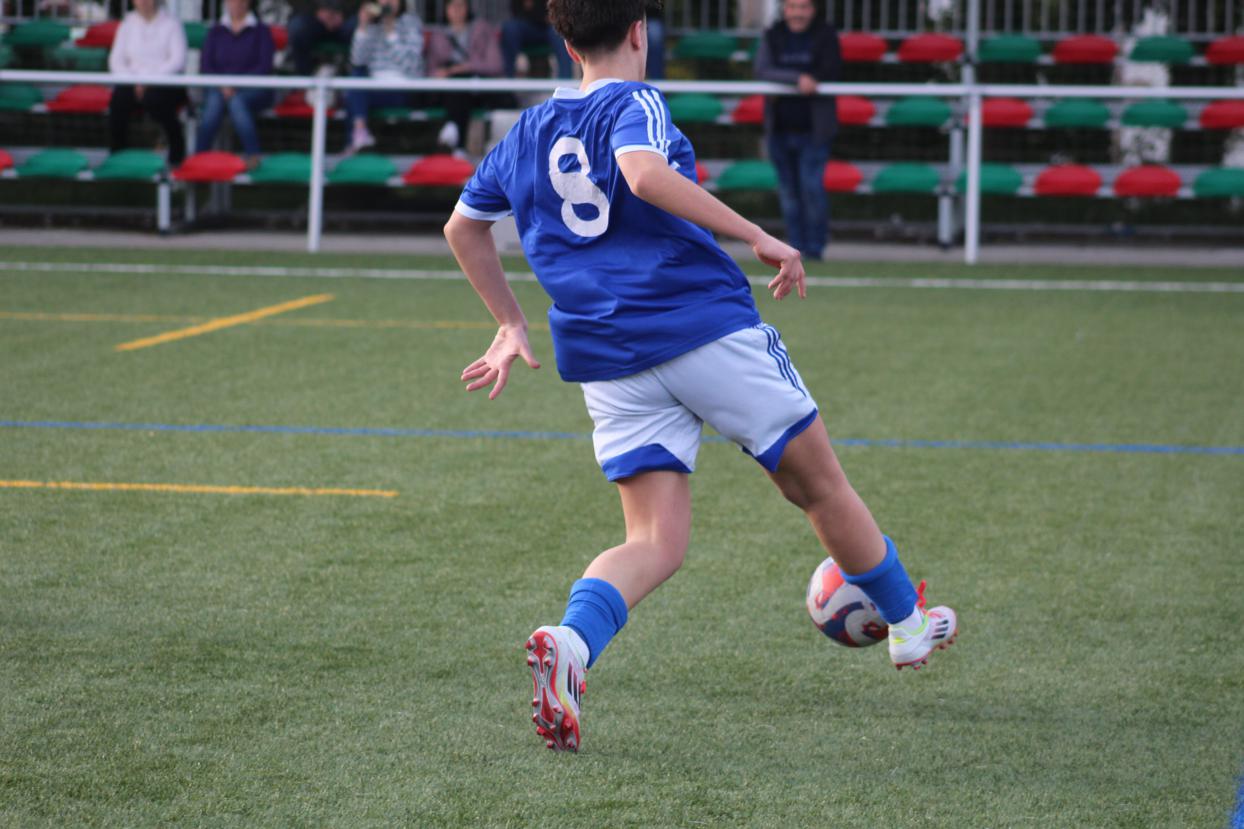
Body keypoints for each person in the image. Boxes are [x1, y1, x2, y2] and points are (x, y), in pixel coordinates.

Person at [444, 0, 957, 754]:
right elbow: (643, 174)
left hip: (607, 358)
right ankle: (909, 624)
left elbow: (462, 226)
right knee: (818, 487)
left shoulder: (524, 132)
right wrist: (756, 233)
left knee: (653, 539)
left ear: (566, 45)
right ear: (639, 32)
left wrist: (510, 321)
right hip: (700, 327)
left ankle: (572, 645)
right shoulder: (636, 102)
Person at [754, 0, 841, 260]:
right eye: (793, 7)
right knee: (789, 193)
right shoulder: (773, 34)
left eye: (803, 7)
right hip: (779, 129)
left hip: (814, 130)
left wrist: (795, 77)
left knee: (811, 189)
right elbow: (762, 70)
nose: (798, 13)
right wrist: (798, 79)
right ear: (786, 9)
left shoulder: (825, 35)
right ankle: (796, 248)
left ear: (812, 10)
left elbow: (831, 69)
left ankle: (815, 249)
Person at [195, 0, 276, 166]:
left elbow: (264, 66)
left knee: (236, 102)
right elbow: (206, 65)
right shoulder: (216, 30)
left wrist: (236, 85)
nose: (236, 3)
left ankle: (253, 156)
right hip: (219, 88)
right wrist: (223, 85)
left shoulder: (261, 31)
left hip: (253, 88)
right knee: (214, 103)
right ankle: (198, 159)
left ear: (248, 3)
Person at [107, 0, 188, 165]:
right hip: (132, 83)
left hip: (165, 83)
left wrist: (150, 79)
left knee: (156, 100)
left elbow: (177, 61)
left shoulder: (172, 24)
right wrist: (135, 80)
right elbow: (115, 61)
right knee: (118, 101)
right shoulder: (127, 24)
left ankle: (176, 158)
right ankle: (118, 158)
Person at [425, 0, 509, 152]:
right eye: (452, 6)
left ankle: (455, 136)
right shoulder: (438, 35)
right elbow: (430, 70)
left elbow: (495, 64)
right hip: (449, 91)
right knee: (458, 86)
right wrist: (443, 73)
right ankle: (457, 143)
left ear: (467, 8)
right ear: (445, 9)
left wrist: (466, 67)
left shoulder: (481, 29)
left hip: (479, 88)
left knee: (462, 82)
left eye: (461, 5)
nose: (457, 10)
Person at [343, 0, 423, 153]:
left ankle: (354, 142)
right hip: (375, 87)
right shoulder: (372, 24)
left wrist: (391, 33)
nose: (387, 2)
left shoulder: (411, 22)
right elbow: (357, 60)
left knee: (355, 94)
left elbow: (410, 65)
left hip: (403, 88)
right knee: (356, 78)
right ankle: (360, 134)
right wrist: (363, 26)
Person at [501, 0, 572, 78]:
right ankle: (508, 78)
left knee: (560, 31)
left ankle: (565, 79)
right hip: (526, 27)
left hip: (549, 27)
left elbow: (557, 11)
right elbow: (516, 10)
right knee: (510, 29)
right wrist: (540, 16)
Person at [287, 0, 356, 76]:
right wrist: (316, 11)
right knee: (297, 28)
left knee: (361, 30)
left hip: (347, 18)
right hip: (313, 17)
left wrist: (343, 14)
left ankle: (355, 74)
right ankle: (304, 77)